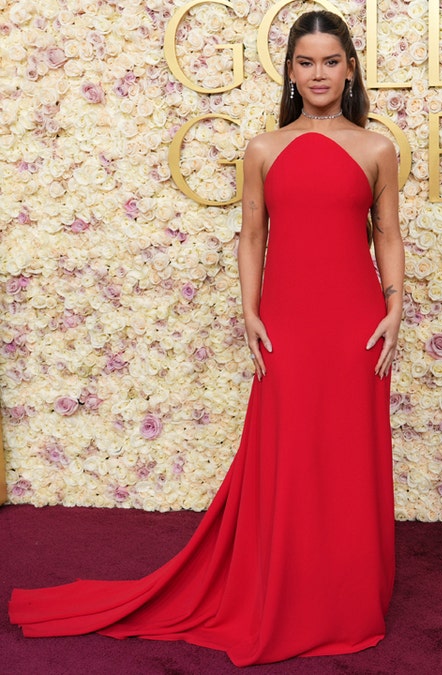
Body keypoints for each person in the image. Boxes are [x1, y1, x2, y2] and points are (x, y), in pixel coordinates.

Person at [8, 11, 405, 666]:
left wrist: (395, 305)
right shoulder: (262, 149)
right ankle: (285, 590)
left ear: (351, 67)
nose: (317, 74)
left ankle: (347, 598)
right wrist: (249, 310)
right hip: (287, 320)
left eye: (330, 61)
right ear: (290, 70)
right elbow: (253, 236)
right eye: (304, 63)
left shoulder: (377, 149)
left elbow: (387, 234)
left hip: (356, 322)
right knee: (291, 450)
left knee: (348, 453)